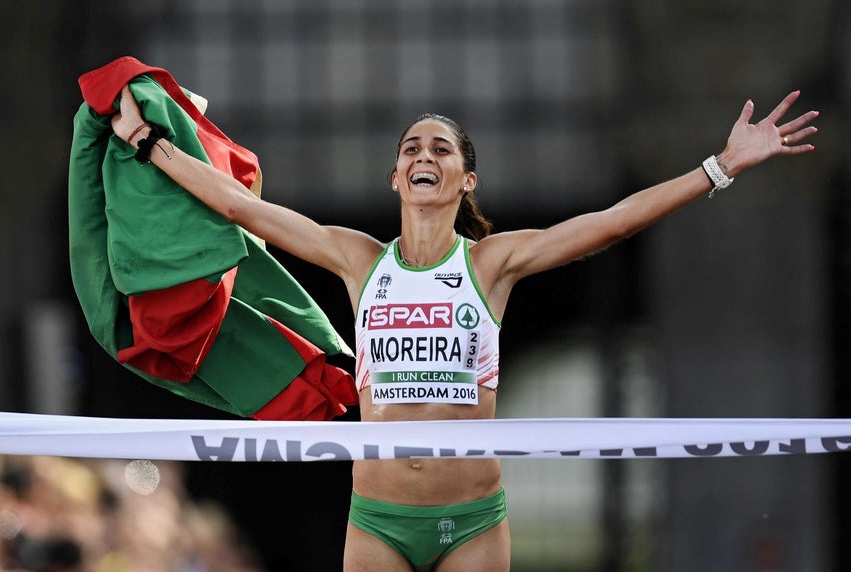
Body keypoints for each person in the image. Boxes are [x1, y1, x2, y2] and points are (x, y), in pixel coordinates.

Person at [111, 85, 818, 571]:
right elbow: (242, 209)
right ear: (394, 177)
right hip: (379, 520)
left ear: (466, 180)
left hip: (473, 519)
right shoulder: (358, 260)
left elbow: (610, 223)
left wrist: (720, 168)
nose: (425, 155)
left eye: (441, 149)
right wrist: (149, 143)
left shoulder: (492, 264)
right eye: (412, 148)